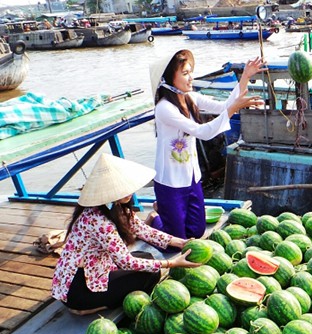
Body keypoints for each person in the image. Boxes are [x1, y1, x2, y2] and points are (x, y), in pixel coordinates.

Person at [51, 154, 200, 316]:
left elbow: (143, 230)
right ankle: (86, 307)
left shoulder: (113, 206)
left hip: (87, 272)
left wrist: (181, 242)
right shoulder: (101, 221)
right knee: (152, 273)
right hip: (77, 288)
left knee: (146, 256)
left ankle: (97, 300)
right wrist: (172, 263)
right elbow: (126, 262)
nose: (128, 192)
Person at [148, 49, 265, 248]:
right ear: (168, 77)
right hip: (170, 182)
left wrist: (245, 77)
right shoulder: (164, 108)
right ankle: (155, 219)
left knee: (197, 231)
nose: (191, 77)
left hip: (191, 176)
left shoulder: (190, 97)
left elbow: (223, 106)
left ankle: (163, 213)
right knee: (177, 242)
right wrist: (234, 109)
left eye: (190, 72)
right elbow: (203, 132)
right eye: (185, 73)